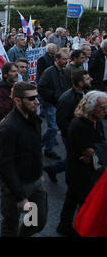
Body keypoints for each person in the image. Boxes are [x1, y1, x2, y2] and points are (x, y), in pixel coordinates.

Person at [0, 82, 47, 237]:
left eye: (37, 97)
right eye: (31, 99)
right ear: (17, 101)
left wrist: (39, 172)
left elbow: (36, 149)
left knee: (37, 221)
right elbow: (5, 165)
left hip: (35, 181)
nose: (37, 102)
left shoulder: (34, 118)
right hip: (15, 186)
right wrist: (20, 196)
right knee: (11, 224)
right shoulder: (8, 128)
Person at [56, 91, 107, 237]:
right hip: (79, 171)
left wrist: (95, 152)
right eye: (102, 108)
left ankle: (64, 224)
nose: (105, 111)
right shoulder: (79, 125)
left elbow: (99, 147)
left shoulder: (97, 122)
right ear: (91, 107)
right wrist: (95, 151)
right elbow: (87, 150)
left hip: (89, 169)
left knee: (71, 197)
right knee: (85, 202)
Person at [44, 70, 93, 184]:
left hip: (83, 132)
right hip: (73, 135)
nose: (91, 79)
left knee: (76, 157)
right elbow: (61, 121)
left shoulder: (85, 93)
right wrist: (73, 134)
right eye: (87, 79)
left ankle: (54, 169)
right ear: (80, 83)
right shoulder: (67, 99)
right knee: (76, 158)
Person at [38, 50, 71, 160]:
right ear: (56, 59)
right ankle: (39, 146)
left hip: (59, 104)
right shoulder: (49, 72)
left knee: (54, 127)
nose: (66, 61)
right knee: (53, 127)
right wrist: (54, 96)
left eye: (67, 59)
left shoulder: (63, 71)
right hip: (50, 104)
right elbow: (41, 88)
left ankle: (48, 149)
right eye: (64, 59)